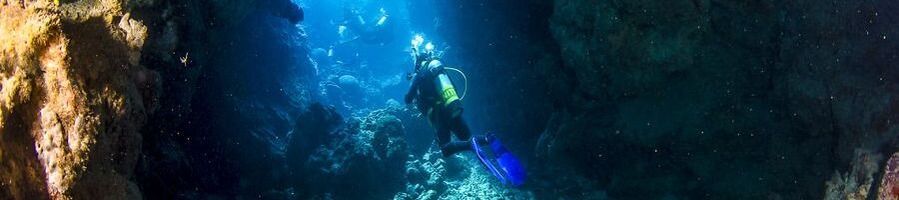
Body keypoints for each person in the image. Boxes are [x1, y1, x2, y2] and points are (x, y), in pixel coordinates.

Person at [404, 39, 485, 157]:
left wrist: (412, 82)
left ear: (418, 63)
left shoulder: (419, 74)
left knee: (446, 149)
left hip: (438, 115)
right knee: (467, 137)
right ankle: (487, 139)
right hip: (452, 106)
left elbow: (408, 100)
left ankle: (471, 145)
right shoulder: (439, 70)